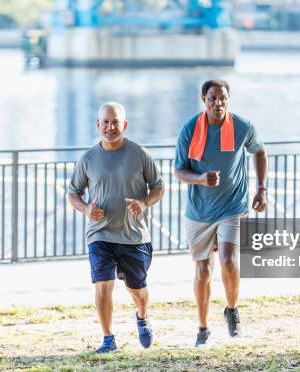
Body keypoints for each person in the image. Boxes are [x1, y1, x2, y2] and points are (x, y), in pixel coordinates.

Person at [174, 79, 267, 347]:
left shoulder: (241, 127)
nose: (218, 103)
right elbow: (179, 170)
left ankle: (232, 309)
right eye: (213, 98)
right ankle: (203, 327)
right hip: (199, 210)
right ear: (204, 99)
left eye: (223, 98)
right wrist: (201, 178)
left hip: (232, 205)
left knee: (228, 260)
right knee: (203, 271)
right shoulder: (190, 129)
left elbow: (259, 151)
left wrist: (261, 189)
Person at [68, 102, 165, 353]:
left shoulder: (140, 154)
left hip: (134, 236)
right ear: (98, 125)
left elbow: (159, 187)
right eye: (106, 122)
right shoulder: (88, 158)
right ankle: (108, 339)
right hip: (100, 233)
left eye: (115, 122)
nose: (111, 127)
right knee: (103, 283)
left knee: (137, 290)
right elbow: (73, 193)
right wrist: (87, 209)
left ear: (125, 124)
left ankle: (142, 315)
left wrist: (143, 203)